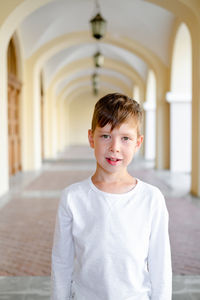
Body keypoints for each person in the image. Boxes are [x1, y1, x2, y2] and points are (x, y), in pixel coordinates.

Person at [51, 93, 172, 300]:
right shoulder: (73, 197)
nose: (115, 147)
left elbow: (161, 265)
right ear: (91, 138)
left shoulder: (152, 198)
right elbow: (61, 263)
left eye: (125, 138)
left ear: (138, 142)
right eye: (105, 135)